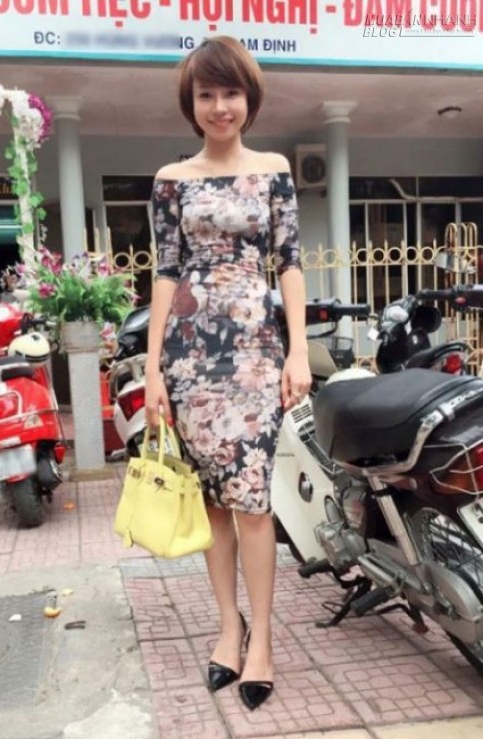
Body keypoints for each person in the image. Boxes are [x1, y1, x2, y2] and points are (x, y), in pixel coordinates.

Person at [145, 35, 311, 711]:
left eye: (231, 92)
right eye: (206, 94)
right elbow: (165, 272)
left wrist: (298, 351)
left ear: (250, 98)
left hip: (254, 354)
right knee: (212, 499)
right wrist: (154, 368)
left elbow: (290, 262)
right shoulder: (170, 179)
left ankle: (262, 638)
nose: (220, 106)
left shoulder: (273, 169)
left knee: (252, 502)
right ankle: (227, 627)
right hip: (189, 356)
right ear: (191, 104)